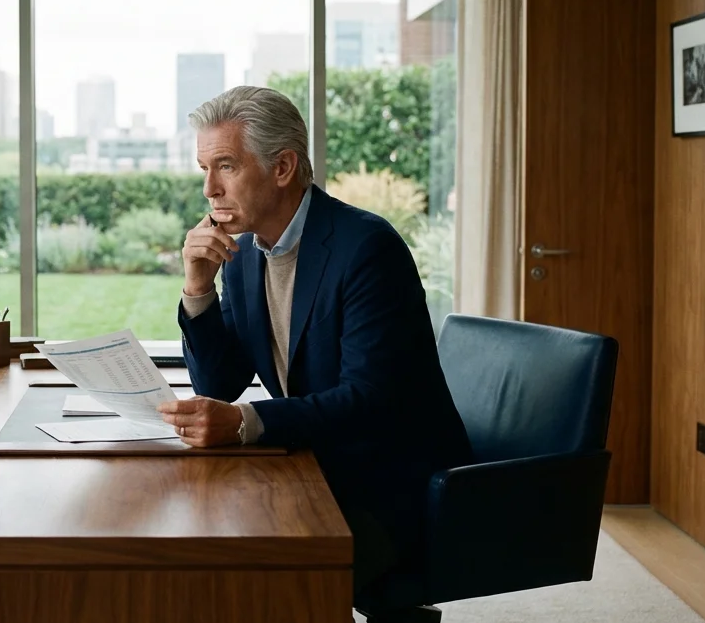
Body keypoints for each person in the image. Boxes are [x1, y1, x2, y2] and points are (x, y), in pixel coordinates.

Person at [158, 85, 473, 596]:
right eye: (204, 169)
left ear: (282, 168)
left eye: (226, 166)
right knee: (198, 543)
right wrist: (197, 287)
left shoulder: (367, 248)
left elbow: (369, 401)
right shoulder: (244, 256)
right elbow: (221, 381)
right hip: (315, 466)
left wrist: (247, 423)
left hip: (391, 491)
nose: (209, 190)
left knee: (268, 579)